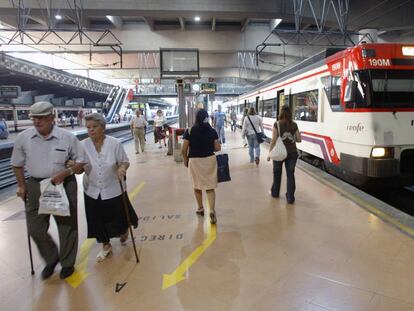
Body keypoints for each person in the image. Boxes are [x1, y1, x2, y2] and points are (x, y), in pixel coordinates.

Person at [11, 101, 86, 280]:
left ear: (52, 117)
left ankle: (67, 263)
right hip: (35, 186)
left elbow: (81, 163)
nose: (37, 121)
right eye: (34, 118)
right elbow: (17, 164)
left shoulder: (67, 137)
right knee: (35, 227)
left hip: (63, 184)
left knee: (67, 226)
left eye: (42, 117)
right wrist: (21, 186)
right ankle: (51, 257)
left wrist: (66, 172)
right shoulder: (24, 138)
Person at [74, 113, 138, 262]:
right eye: (88, 127)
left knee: (118, 216)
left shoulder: (114, 143)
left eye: (94, 127)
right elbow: (80, 169)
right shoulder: (83, 145)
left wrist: (122, 168)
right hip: (92, 188)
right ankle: (105, 244)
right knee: (97, 218)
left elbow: (125, 161)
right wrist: (75, 167)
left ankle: (123, 231)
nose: (91, 130)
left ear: (102, 128)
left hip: (113, 187)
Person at [182, 109, 221, 224]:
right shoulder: (212, 131)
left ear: (196, 118)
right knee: (210, 186)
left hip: (194, 161)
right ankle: (212, 210)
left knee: (197, 185)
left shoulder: (189, 131)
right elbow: (218, 148)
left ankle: (200, 208)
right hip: (210, 160)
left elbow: (184, 149)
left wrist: (185, 161)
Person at [267, 105, 301, 204]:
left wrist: (269, 154)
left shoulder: (277, 124)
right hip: (292, 153)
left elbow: (273, 140)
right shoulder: (294, 124)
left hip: (279, 153)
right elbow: (299, 140)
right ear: (290, 113)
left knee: (277, 174)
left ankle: (275, 193)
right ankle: (290, 198)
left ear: (281, 113)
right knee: (290, 175)